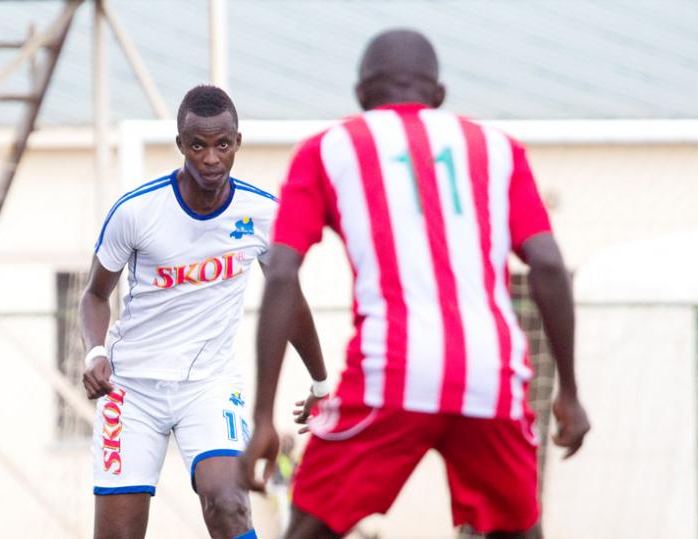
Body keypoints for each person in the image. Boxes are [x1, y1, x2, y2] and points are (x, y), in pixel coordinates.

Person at [240, 29, 591, 539]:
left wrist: (263, 415)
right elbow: (549, 266)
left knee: (311, 527)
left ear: (361, 97)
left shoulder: (328, 149)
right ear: (440, 97)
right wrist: (571, 392)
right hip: (489, 375)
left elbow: (282, 271)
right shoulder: (497, 149)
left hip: (392, 372)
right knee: (518, 530)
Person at [79, 85, 326, 539]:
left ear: (237, 143)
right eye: (198, 145)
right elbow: (94, 295)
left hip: (208, 386)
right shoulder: (136, 212)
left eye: (222, 145)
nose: (211, 158)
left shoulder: (263, 213)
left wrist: (321, 382)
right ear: (180, 146)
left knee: (228, 502)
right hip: (131, 390)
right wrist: (95, 351)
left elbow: (288, 298)